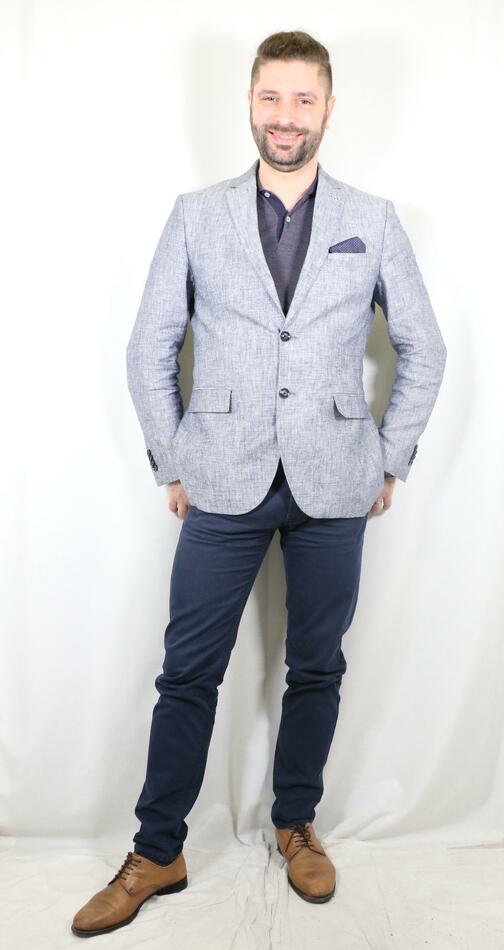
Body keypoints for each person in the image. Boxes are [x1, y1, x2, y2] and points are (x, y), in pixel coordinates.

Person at [71, 29, 447, 937]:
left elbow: (425, 347)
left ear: (328, 108)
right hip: (221, 477)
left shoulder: (372, 218)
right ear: (250, 102)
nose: (286, 116)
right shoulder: (195, 215)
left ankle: (296, 823)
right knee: (187, 671)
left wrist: (388, 458)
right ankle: (157, 849)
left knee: (317, 666)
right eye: (271, 97)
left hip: (336, 482)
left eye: (303, 99)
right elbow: (150, 347)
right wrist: (174, 459)